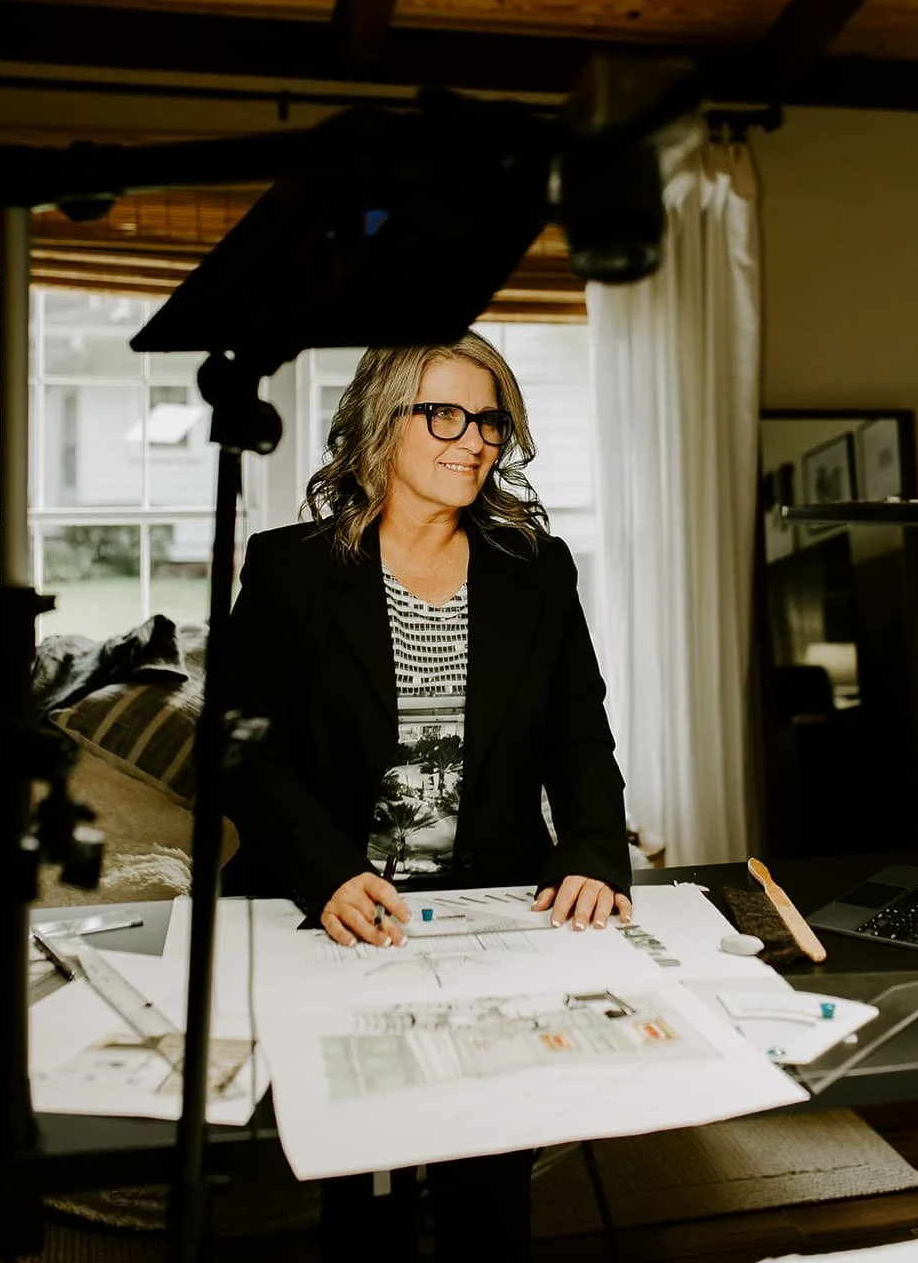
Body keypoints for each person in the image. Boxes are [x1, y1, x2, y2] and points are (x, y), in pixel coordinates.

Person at [223, 329, 632, 1261]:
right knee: (361, 1183)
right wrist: (325, 872)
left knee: (489, 1181)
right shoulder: (290, 568)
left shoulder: (537, 567)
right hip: (333, 909)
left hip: (492, 905)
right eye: (442, 413)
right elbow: (242, 753)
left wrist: (592, 851)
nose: (472, 439)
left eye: (489, 420)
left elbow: (578, 736)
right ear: (381, 421)